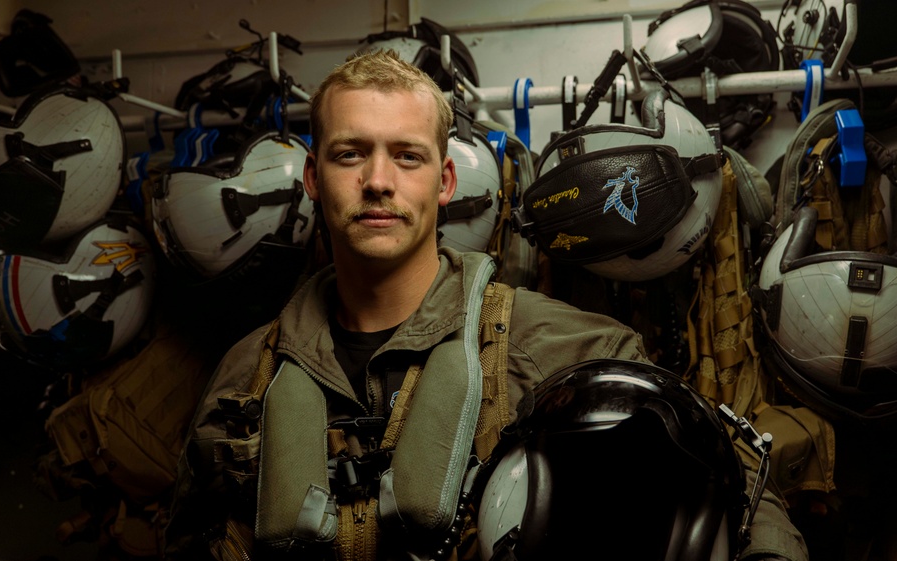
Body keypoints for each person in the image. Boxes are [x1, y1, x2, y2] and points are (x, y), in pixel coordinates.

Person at [164, 49, 808, 561]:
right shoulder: (245, 376)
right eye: (349, 154)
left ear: (445, 182)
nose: (378, 180)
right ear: (313, 179)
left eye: (407, 156)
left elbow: (734, 486)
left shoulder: (572, 350)